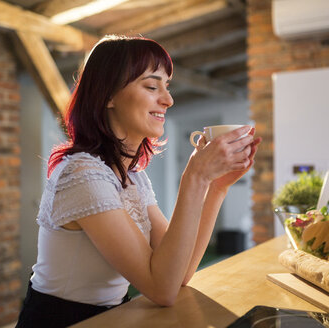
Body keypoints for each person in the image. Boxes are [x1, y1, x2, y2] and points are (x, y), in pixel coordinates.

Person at [16, 34, 261, 327]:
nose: (168, 100)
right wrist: (194, 177)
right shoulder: (82, 174)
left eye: (166, 87)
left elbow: (179, 273)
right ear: (107, 95)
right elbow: (162, 289)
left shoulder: (133, 177)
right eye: (151, 86)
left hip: (113, 317)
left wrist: (217, 186)